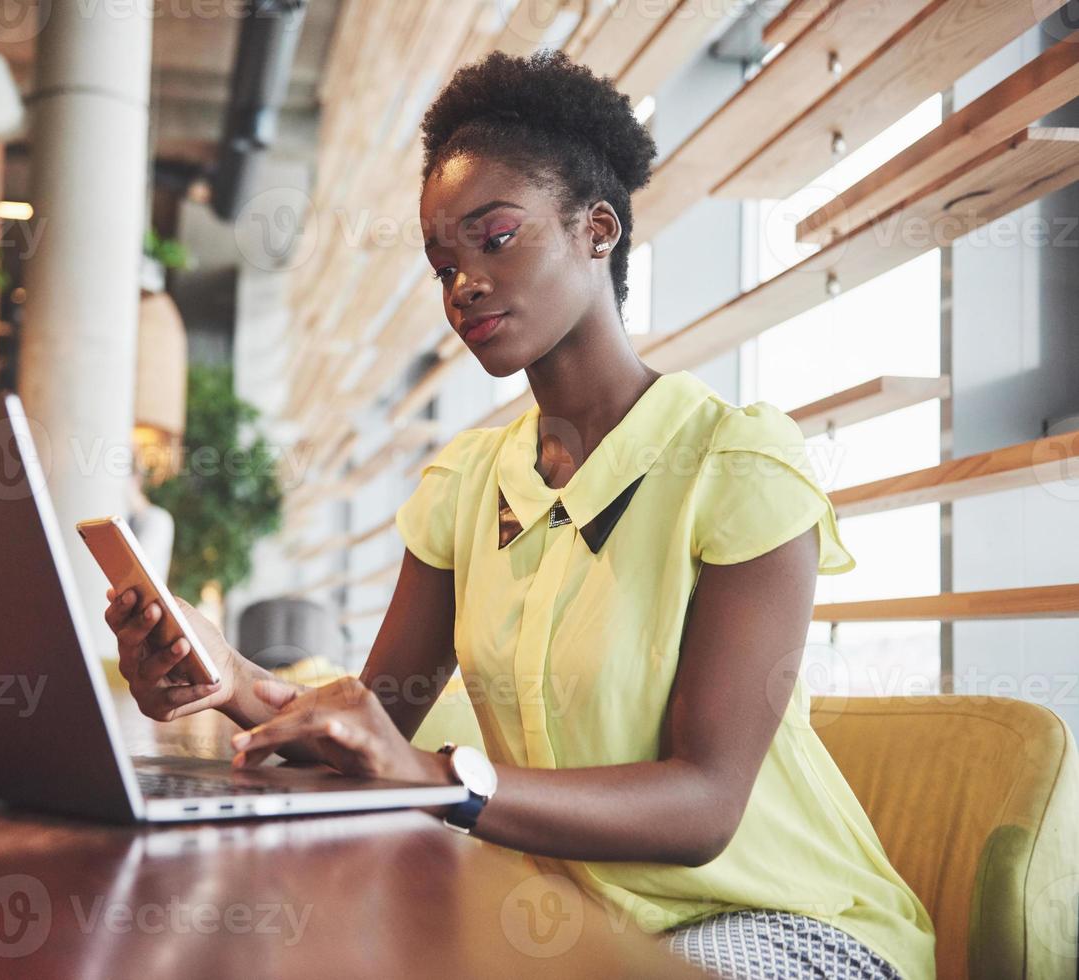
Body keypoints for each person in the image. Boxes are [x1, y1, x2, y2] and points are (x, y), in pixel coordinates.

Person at [104, 50, 936, 980]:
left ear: (597, 230)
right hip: (561, 924)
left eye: (493, 238)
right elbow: (378, 729)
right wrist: (226, 677)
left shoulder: (737, 465)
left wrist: (437, 782)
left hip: (773, 916)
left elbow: (703, 808)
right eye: (442, 261)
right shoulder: (468, 482)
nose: (462, 283)